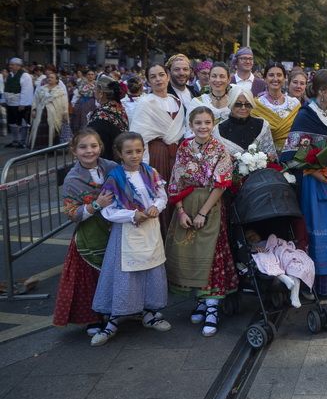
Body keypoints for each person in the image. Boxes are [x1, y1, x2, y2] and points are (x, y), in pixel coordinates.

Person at [91, 132, 171, 346]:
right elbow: (107, 211)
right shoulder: (115, 178)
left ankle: (148, 312)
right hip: (126, 233)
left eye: (138, 151)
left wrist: (156, 206)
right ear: (119, 154)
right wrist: (131, 214)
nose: (134, 156)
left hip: (149, 230)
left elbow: (161, 195)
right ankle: (114, 319)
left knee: (150, 270)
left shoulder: (150, 172)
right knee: (125, 275)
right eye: (129, 152)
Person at [166, 107, 237, 337]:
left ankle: (212, 307)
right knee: (191, 254)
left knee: (211, 253)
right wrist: (181, 212)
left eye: (207, 122)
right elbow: (176, 180)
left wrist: (203, 212)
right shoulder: (184, 147)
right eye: (198, 123)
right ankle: (199, 300)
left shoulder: (219, 149)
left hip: (210, 204)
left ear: (213, 124)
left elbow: (221, 184)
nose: (203, 127)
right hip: (187, 203)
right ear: (191, 124)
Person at [281, 70, 327, 295]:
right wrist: (315, 171)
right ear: (321, 91)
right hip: (315, 181)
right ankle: (314, 282)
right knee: (318, 229)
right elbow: (295, 153)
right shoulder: (306, 115)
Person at [53, 130, 114, 335]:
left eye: (93, 146)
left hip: (114, 230)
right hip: (89, 235)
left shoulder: (111, 167)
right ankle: (93, 318)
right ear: (74, 151)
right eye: (83, 147)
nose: (89, 151)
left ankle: (117, 311)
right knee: (89, 279)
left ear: (100, 147)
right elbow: (72, 213)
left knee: (115, 272)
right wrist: (97, 205)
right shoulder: (72, 179)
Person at [128, 63, 186, 237]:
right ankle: (160, 239)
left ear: (168, 76)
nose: (158, 79)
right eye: (153, 76)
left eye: (161, 75)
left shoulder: (176, 101)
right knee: (159, 195)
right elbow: (139, 137)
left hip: (176, 154)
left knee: (178, 196)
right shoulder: (145, 102)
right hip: (157, 155)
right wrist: (142, 167)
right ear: (148, 81)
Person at [245, 228, 315, 308]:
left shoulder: (269, 240)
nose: (252, 238)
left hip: (279, 251)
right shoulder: (253, 247)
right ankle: (284, 278)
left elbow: (278, 243)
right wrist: (255, 250)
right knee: (262, 258)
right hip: (269, 256)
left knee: (293, 259)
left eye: (253, 235)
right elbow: (254, 255)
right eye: (249, 238)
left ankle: (294, 294)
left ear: (258, 235)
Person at [213, 85, 277, 160]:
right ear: (231, 104)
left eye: (247, 104)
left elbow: (271, 157)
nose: (243, 108)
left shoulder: (262, 125)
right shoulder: (219, 130)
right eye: (238, 104)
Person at [253, 63, 301, 151]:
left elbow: (299, 130)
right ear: (265, 79)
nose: (275, 79)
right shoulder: (257, 104)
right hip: (264, 156)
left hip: (291, 154)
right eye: (271, 75)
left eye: (279, 75)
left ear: (284, 78)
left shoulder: (294, 104)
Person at [85, 76, 129, 161]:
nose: (94, 92)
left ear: (101, 93)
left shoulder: (100, 116)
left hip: (106, 163)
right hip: (119, 159)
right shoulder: (118, 108)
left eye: (95, 90)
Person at [28, 69, 69, 149]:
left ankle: (51, 149)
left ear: (57, 80)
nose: (49, 79)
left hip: (55, 115)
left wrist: (65, 112)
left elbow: (64, 103)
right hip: (41, 113)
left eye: (52, 78)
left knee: (53, 131)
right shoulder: (41, 89)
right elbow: (35, 100)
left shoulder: (60, 91)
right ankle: (39, 148)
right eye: (48, 77)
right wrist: (34, 109)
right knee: (40, 129)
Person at [70, 69, 97, 133]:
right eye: (89, 74)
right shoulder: (81, 82)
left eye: (92, 74)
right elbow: (81, 91)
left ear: (94, 76)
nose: (90, 76)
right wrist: (91, 90)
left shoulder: (97, 83)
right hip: (81, 101)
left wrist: (90, 90)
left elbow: (96, 93)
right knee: (78, 118)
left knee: (89, 118)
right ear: (86, 75)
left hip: (92, 102)